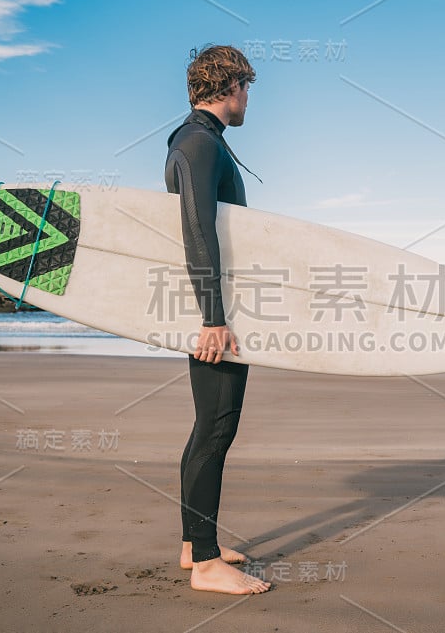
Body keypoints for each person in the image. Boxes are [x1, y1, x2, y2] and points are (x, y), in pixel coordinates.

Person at [163, 45, 271, 595]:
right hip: (214, 311)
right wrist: (213, 318)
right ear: (231, 86)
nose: (250, 98)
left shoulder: (200, 142)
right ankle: (205, 564)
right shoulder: (199, 144)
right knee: (217, 423)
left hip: (216, 306)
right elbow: (198, 232)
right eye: (248, 87)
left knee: (213, 422)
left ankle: (193, 544)